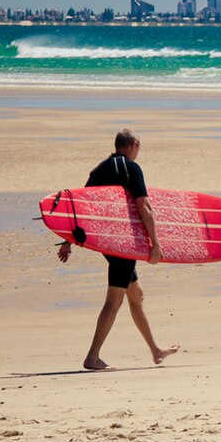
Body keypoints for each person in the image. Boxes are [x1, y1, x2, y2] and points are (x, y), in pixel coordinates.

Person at [57, 128, 179, 370]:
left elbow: (81, 207)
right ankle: (92, 357)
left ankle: (156, 351)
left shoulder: (100, 169)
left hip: (109, 243)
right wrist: (155, 244)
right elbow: (144, 208)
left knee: (137, 295)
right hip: (125, 244)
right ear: (134, 144)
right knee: (114, 301)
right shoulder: (132, 169)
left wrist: (68, 241)